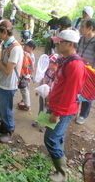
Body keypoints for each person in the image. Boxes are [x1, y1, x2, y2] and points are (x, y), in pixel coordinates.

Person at [45, 30, 86, 182]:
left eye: (59, 41)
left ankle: (61, 173)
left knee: (50, 139)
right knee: (58, 136)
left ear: (69, 44)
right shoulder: (65, 60)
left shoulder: (75, 65)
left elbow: (70, 94)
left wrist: (56, 113)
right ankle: (59, 162)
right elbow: (61, 84)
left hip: (63, 111)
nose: (57, 44)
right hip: (57, 106)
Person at [0, 20, 23, 143]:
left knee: (6, 110)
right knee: (1, 108)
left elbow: (8, 70)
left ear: (5, 32)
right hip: (0, 82)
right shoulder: (4, 44)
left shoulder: (16, 48)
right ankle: (3, 126)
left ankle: (9, 130)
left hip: (9, 84)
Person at [32, 53, 59, 133]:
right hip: (43, 91)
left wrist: (50, 97)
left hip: (52, 95)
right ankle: (39, 120)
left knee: (49, 110)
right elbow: (43, 78)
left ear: (55, 64)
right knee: (41, 107)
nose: (47, 64)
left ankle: (46, 126)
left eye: (49, 62)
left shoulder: (59, 73)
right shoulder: (47, 69)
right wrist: (38, 90)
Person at [75, 18, 95, 124]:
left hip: (90, 72)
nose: (80, 28)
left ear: (90, 28)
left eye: (82, 26)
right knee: (78, 90)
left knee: (88, 93)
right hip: (80, 69)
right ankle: (75, 110)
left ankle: (83, 114)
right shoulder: (81, 39)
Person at [17, 40, 36, 111]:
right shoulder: (30, 55)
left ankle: (27, 105)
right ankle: (24, 102)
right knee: (25, 90)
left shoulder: (28, 57)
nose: (24, 47)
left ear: (31, 48)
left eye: (26, 46)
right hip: (27, 77)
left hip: (25, 77)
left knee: (24, 90)